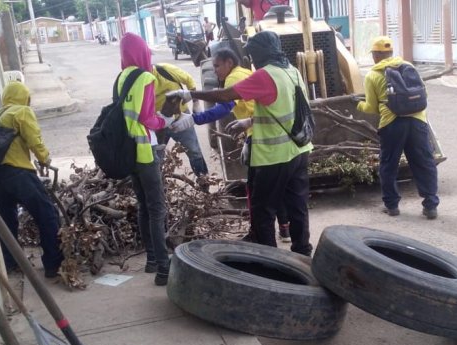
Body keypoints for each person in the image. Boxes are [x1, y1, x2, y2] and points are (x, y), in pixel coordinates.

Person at [167, 31, 313, 256]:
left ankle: (271, 262)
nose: (251, 59)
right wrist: (249, 121)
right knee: (297, 206)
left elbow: (226, 96)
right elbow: (285, 108)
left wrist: (190, 95)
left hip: (275, 156)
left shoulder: (266, 75)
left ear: (261, 53)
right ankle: (302, 254)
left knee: (262, 210)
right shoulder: (291, 70)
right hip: (300, 151)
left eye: (253, 54)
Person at [211, 48, 291, 242]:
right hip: (276, 139)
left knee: (256, 195)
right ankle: (286, 229)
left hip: (258, 139)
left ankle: (260, 237)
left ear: (229, 62)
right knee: (276, 188)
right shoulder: (251, 72)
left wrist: (193, 118)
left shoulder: (232, 79)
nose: (215, 71)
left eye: (217, 65)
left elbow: (223, 106)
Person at [356, 36, 439, 219]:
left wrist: (358, 105)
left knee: (389, 164)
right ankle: (430, 205)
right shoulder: (409, 67)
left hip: (391, 124)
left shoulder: (372, 75)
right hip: (417, 121)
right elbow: (423, 93)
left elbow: (370, 107)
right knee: (424, 163)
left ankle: (392, 206)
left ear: (376, 56)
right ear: (391, 53)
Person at [0, 81, 63, 278]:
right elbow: (34, 139)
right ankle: (53, 264)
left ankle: (10, 262)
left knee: (7, 218)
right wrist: (45, 159)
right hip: (18, 174)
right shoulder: (21, 112)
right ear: (24, 97)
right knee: (47, 214)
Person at [118, 33, 175, 285]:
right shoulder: (146, 77)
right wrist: (167, 121)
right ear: (143, 53)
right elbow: (147, 117)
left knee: (143, 206)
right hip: (145, 151)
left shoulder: (120, 78)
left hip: (129, 152)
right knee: (157, 208)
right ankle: (164, 268)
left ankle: (152, 260)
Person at [151, 62, 209, 179]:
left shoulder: (166, 70)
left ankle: (204, 181)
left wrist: (196, 102)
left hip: (180, 118)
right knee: (156, 157)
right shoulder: (139, 82)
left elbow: (189, 80)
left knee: (194, 151)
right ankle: (160, 185)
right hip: (157, 124)